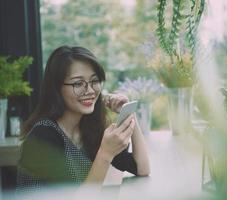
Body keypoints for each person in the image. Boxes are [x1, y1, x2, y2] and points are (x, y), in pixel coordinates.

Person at [16, 45, 150, 192]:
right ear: (57, 88)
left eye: (94, 81)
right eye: (78, 83)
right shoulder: (43, 136)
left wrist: (129, 112)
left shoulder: (90, 128)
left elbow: (142, 168)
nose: (90, 91)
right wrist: (105, 153)